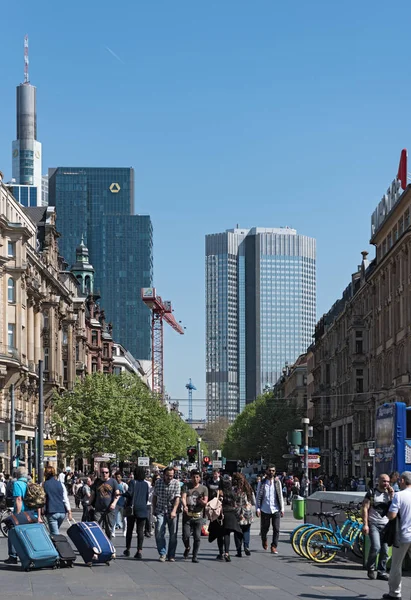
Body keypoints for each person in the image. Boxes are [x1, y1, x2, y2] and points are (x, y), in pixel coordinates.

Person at [381, 471, 411, 600]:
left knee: (396, 565)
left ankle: (395, 593)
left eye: (400, 480)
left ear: (403, 481)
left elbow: (392, 515)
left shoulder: (399, 496)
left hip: (403, 536)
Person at [362, 473, 393, 581]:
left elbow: (394, 508)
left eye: (388, 482)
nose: (386, 484)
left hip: (386, 525)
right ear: (378, 481)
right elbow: (365, 508)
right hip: (373, 523)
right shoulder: (371, 493)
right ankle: (370, 567)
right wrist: (365, 524)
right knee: (376, 547)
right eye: (384, 481)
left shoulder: (390, 494)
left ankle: (381, 571)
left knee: (385, 549)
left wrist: (392, 495)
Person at [208, 475, 242, 562]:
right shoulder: (232, 493)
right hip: (230, 514)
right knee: (227, 534)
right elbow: (236, 503)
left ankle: (221, 553)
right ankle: (227, 552)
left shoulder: (218, 492)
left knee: (220, 534)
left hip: (220, 514)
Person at [152, 467, 181, 562]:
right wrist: (153, 509)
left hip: (171, 510)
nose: (170, 477)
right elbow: (155, 497)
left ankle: (171, 555)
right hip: (160, 510)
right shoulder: (158, 482)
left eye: (171, 476)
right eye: (168, 476)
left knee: (173, 534)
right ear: (164, 475)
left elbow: (177, 498)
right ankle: (162, 553)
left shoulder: (176, 483)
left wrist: (174, 511)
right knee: (159, 532)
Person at [256, 464, 284, 554]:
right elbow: (258, 497)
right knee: (265, 529)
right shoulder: (262, 483)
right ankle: (264, 540)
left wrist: (282, 508)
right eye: (270, 470)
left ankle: (274, 546)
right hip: (265, 509)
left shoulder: (277, 482)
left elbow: (280, 496)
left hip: (276, 509)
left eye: (273, 471)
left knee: (276, 528)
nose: (271, 472)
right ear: (266, 471)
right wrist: (257, 508)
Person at [181, 470, 208, 563]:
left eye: (197, 477)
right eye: (193, 477)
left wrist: (201, 500)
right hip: (187, 516)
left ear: (200, 478)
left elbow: (205, 502)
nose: (195, 479)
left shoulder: (204, 488)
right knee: (185, 536)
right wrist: (184, 506)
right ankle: (187, 547)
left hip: (198, 516)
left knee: (197, 537)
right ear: (191, 477)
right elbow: (183, 497)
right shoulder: (186, 486)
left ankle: (194, 556)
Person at [4, 467, 29, 564]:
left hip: (21, 512)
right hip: (30, 513)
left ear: (17, 474)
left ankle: (13, 556)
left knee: (12, 533)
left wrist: (17, 516)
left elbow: (19, 499)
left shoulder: (17, 484)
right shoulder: (29, 484)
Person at [123, 467, 149, 560]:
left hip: (133, 508)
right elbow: (146, 497)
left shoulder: (132, 482)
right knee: (140, 530)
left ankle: (128, 549)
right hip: (142, 508)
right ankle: (139, 551)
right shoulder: (146, 484)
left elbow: (129, 493)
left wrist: (121, 493)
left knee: (130, 529)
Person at [90, 467, 120, 540]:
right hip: (98, 509)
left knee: (109, 529)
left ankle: (109, 544)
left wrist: (114, 503)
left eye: (106, 472)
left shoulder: (113, 482)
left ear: (109, 473)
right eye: (103, 472)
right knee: (96, 527)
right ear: (100, 473)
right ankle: (98, 544)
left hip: (109, 509)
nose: (104, 474)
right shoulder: (97, 482)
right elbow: (93, 494)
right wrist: (89, 504)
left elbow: (117, 494)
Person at [43, 466, 73, 535]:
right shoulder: (61, 484)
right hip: (62, 512)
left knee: (55, 534)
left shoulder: (44, 484)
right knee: (54, 531)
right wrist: (69, 512)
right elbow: (65, 499)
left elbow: (42, 499)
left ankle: (56, 545)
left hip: (52, 511)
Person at [232, 472, 254, 556]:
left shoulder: (234, 489)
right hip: (247, 511)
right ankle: (246, 546)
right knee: (246, 530)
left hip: (237, 513)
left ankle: (238, 550)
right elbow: (253, 500)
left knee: (237, 532)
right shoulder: (248, 487)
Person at [112, 472, 128, 538]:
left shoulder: (124, 485)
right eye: (116, 477)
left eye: (118, 477)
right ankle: (113, 532)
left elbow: (128, 494)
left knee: (124, 519)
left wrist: (126, 503)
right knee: (114, 519)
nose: (117, 478)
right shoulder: (113, 485)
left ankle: (124, 531)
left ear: (121, 477)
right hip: (116, 504)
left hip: (123, 504)